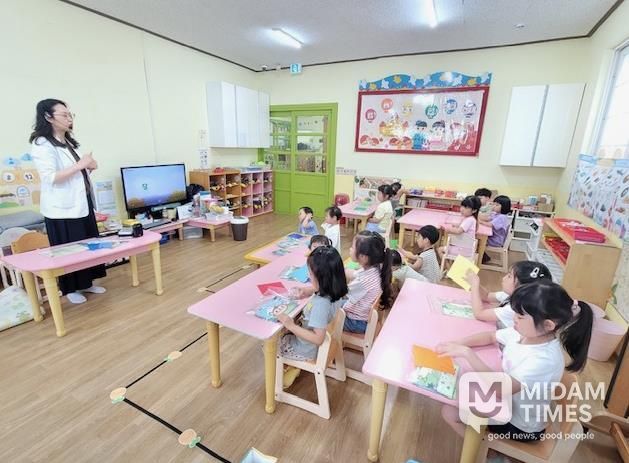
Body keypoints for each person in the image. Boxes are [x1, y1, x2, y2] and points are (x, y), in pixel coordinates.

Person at [438, 282, 593, 442]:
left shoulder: (544, 360)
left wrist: (467, 353)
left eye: (520, 316)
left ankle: (484, 447)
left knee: (449, 411)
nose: (514, 319)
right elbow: (491, 336)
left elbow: (500, 389)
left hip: (519, 425)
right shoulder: (526, 333)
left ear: (548, 325)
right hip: (506, 401)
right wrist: (458, 343)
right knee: (462, 385)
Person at [29, 99, 106, 304]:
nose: (69, 118)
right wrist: (81, 165)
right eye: (64, 115)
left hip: (82, 202)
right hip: (62, 208)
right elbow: (51, 177)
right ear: (48, 117)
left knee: (87, 244)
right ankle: (70, 289)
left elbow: (78, 171)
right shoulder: (42, 144)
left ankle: (86, 283)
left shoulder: (69, 142)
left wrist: (90, 166)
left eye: (70, 114)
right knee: (68, 250)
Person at [291, 231, 393, 334]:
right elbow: (351, 273)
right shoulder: (374, 269)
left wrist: (309, 290)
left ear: (363, 257)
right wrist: (336, 269)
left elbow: (339, 292)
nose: (350, 249)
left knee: (321, 306)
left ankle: (303, 328)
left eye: (352, 247)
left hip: (356, 322)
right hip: (363, 316)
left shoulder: (363, 281)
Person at [278, 246, 348, 388]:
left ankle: (290, 369)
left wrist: (291, 325)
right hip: (316, 345)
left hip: (307, 350)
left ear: (321, 278)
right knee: (286, 330)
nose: (308, 276)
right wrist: (307, 290)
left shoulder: (321, 303)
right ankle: (293, 367)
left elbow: (318, 338)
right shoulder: (334, 292)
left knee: (272, 344)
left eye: (310, 274)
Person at [466, 261, 552, 328]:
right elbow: (487, 296)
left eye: (509, 276)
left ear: (523, 287)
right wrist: (475, 282)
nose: (504, 278)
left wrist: (474, 285)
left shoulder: (515, 309)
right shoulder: (512, 295)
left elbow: (479, 314)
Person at [438, 195, 480, 261]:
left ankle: (448, 267)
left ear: (474, 210)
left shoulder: (470, 220)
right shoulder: (471, 219)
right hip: (465, 248)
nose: (462, 209)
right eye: (462, 206)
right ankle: (450, 266)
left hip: (463, 250)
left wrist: (448, 229)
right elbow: (461, 226)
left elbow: (458, 231)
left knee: (440, 250)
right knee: (447, 246)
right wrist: (453, 224)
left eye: (466, 207)